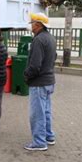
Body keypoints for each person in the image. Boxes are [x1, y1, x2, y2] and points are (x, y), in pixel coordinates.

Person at [23, 13, 57, 151]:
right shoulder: (50, 38)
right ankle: (49, 136)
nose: (30, 25)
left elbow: (35, 65)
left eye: (32, 23)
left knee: (37, 113)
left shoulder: (38, 40)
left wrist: (26, 75)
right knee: (46, 111)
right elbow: (53, 57)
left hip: (39, 82)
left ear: (38, 25)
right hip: (49, 80)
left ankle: (39, 142)